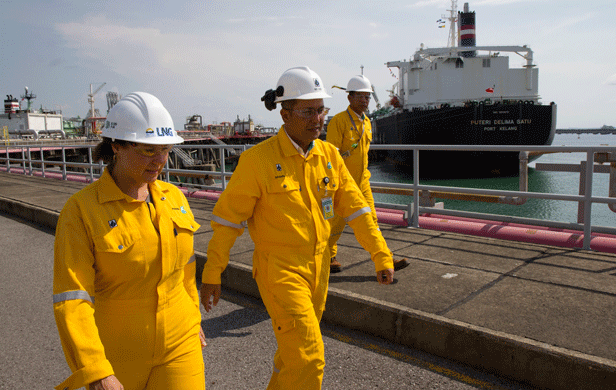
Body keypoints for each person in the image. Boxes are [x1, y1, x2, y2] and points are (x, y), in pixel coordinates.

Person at [200, 66, 395, 390]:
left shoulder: (329, 156)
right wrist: (212, 273)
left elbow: (357, 209)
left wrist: (380, 253)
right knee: (309, 356)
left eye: (321, 110)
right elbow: (227, 222)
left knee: (291, 359)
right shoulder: (257, 161)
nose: (317, 119)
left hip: (318, 269)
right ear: (285, 114)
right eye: (307, 111)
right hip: (280, 270)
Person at [53, 92, 206, 390]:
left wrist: (194, 317)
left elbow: (185, 269)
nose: (160, 160)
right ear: (116, 147)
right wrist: (95, 370)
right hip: (119, 351)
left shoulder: (173, 198)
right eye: (148, 150)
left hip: (181, 338)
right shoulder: (82, 211)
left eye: (165, 149)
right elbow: (73, 298)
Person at [326, 74, 409, 273]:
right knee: (334, 224)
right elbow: (329, 156)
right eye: (361, 96)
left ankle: (386, 259)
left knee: (371, 220)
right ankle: (327, 256)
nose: (365, 101)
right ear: (349, 98)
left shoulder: (367, 122)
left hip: (362, 182)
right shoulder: (338, 122)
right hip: (341, 184)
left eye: (368, 97)